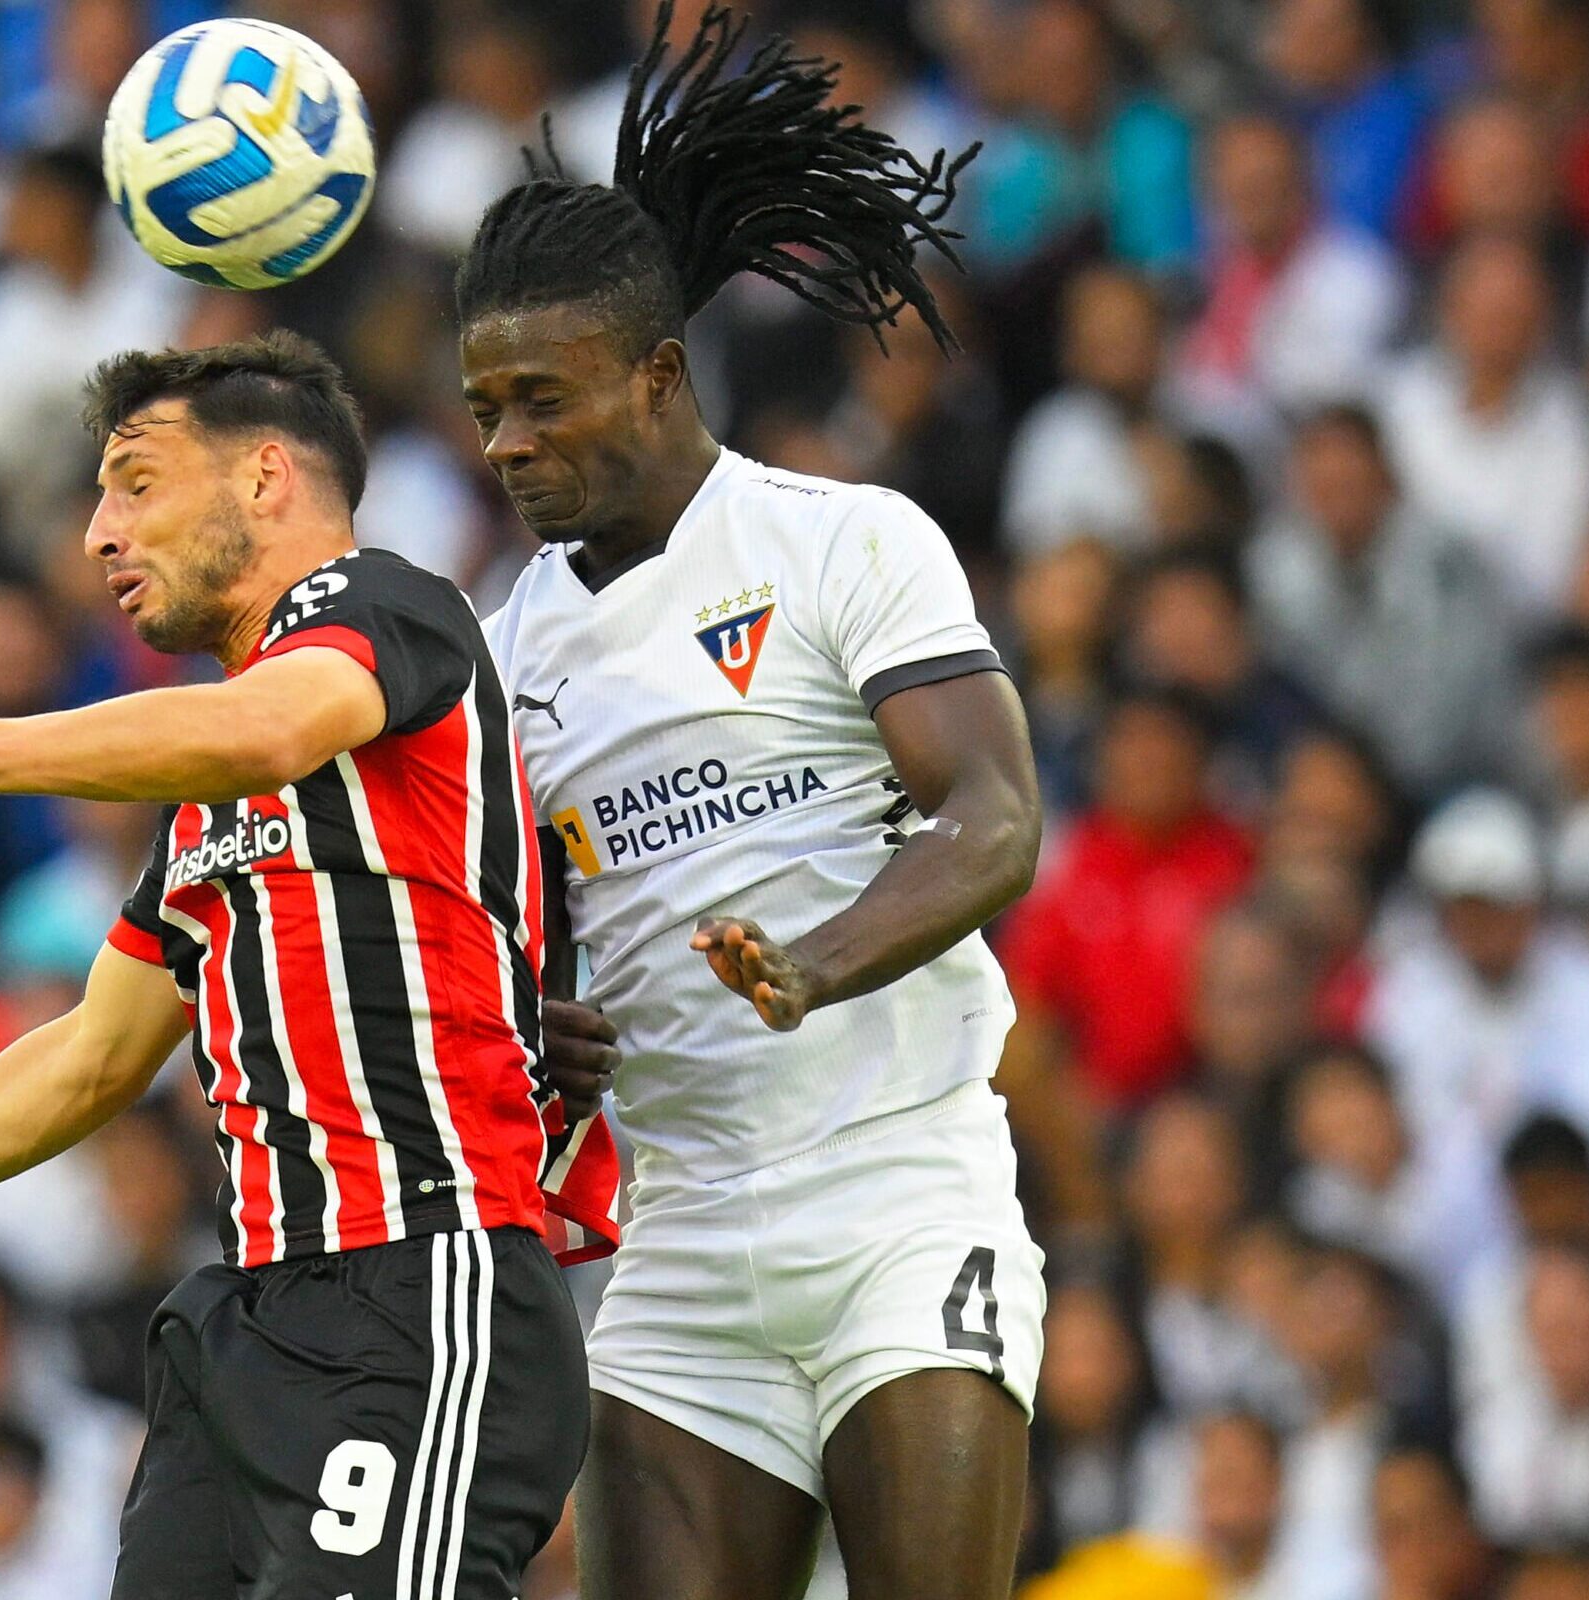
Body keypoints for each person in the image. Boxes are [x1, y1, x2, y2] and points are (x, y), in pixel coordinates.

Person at [0, 331, 611, 1599]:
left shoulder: (384, 608)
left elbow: (274, 724)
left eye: (138, 483)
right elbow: (87, 1057)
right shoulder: (200, 805)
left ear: (267, 476)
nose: (99, 533)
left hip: (421, 1285)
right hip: (250, 1321)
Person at [458, 5, 1044, 1597]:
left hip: (899, 1183)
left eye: (542, 399)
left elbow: (993, 818)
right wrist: (538, 1018)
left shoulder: (842, 543)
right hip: (683, 1238)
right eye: (485, 407)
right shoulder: (502, 659)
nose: (508, 442)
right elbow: (512, 948)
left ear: (656, 375)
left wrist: (817, 963)